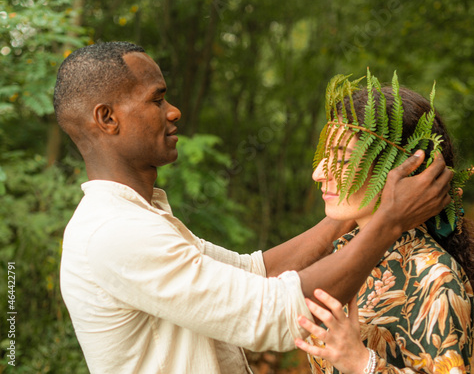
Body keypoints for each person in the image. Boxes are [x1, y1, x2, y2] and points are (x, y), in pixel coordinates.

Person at [53, 42, 452, 374]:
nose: (174, 111)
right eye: (157, 99)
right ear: (107, 118)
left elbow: (256, 272)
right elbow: (276, 315)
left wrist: (356, 206)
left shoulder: (141, 217)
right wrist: (389, 220)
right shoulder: (115, 232)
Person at [294, 83, 474, 373]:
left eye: (341, 159)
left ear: (405, 169)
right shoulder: (340, 256)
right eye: (324, 157)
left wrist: (361, 363)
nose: (318, 173)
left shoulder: (435, 277)